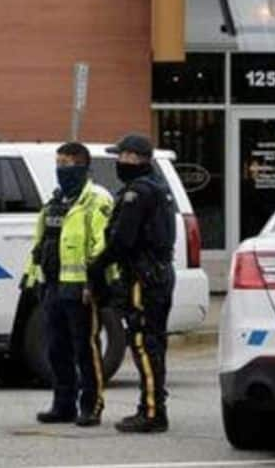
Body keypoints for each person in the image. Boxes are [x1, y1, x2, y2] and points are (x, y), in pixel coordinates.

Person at [22, 142, 113, 427]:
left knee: (85, 348)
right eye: (58, 163)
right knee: (56, 348)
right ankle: (63, 405)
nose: (61, 169)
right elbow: (41, 242)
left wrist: (94, 283)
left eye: (67, 163)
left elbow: (102, 244)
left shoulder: (96, 200)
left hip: (81, 287)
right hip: (52, 285)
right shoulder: (56, 201)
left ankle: (91, 406)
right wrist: (32, 277)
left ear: (83, 166)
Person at [90, 133, 176, 434]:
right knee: (153, 342)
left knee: (143, 342)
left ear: (136, 158)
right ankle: (152, 405)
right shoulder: (159, 188)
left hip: (143, 276)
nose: (118, 162)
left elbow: (122, 240)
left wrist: (100, 263)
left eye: (122, 156)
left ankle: (152, 412)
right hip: (159, 273)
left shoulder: (136, 193)